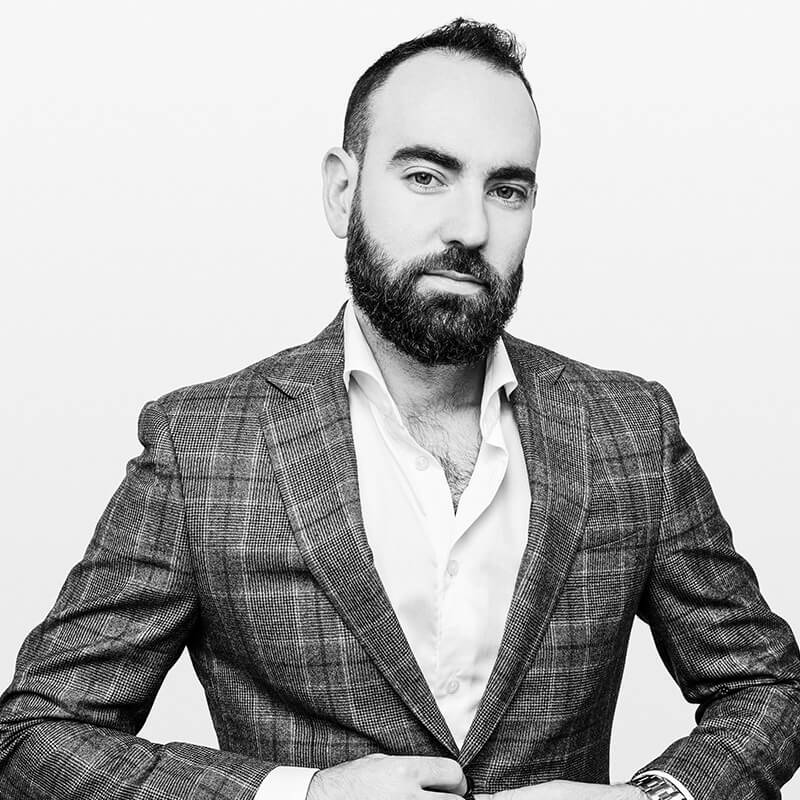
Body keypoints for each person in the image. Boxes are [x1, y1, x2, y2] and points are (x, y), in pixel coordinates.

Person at [0, 16, 798, 800]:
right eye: (426, 177)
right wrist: (303, 796)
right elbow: (35, 734)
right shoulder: (204, 447)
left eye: (507, 190)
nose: (471, 228)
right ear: (342, 192)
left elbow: (770, 687)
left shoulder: (628, 429)